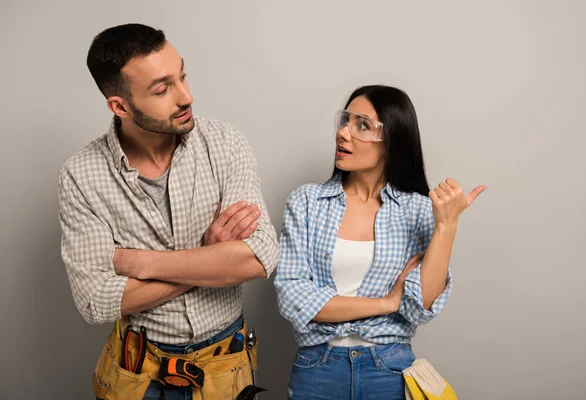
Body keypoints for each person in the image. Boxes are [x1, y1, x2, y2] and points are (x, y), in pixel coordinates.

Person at [58, 23, 279, 400]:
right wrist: (211, 256)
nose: (186, 96)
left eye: (182, 77)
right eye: (162, 89)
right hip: (138, 374)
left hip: (226, 367)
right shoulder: (80, 176)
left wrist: (142, 263)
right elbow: (95, 300)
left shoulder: (224, 144)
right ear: (120, 105)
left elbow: (260, 257)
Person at [274, 85, 486, 399]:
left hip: (389, 370)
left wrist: (446, 226)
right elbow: (293, 298)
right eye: (345, 121)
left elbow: (420, 307)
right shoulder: (307, 202)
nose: (343, 133)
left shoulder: (417, 211)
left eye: (362, 125)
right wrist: (386, 303)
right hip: (317, 370)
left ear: (393, 141)